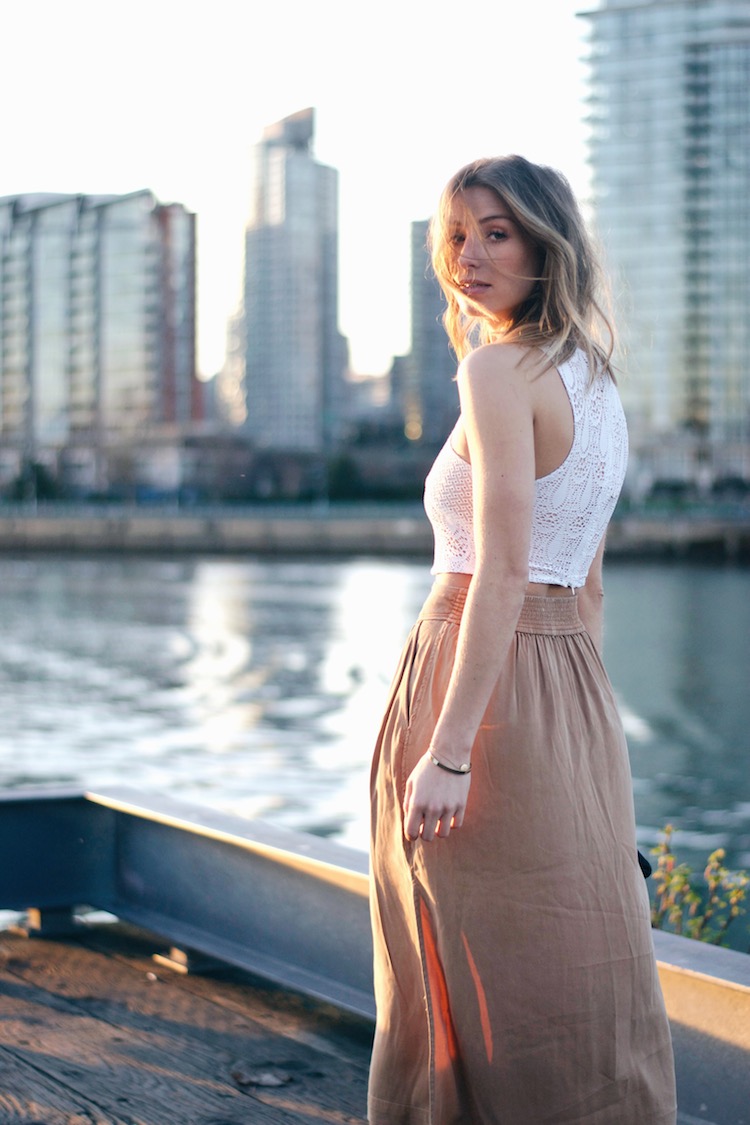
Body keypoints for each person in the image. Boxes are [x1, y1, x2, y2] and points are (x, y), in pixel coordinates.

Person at [368, 155, 677, 1124]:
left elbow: (501, 570)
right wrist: (584, 746)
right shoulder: (591, 374)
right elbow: (583, 580)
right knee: (572, 959)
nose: (469, 255)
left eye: (496, 233)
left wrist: (451, 752)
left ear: (547, 245)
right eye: (456, 235)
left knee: (456, 954)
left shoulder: (496, 367)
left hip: (478, 676)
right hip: (570, 688)